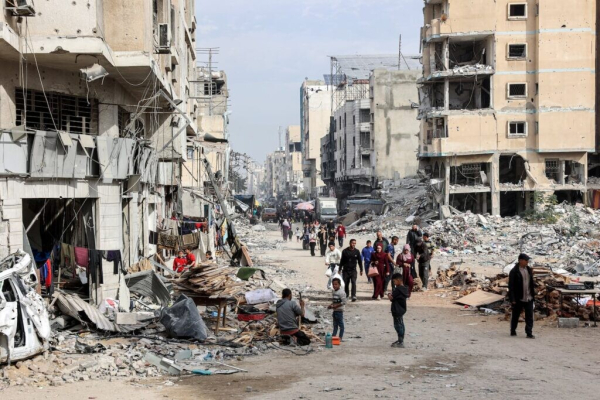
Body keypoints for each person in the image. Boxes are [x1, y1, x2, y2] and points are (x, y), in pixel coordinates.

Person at [509, 253, 535, 339]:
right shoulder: (514, 271)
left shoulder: (528, 270)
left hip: (529, 297)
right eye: (526, 260)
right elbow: (511, 286)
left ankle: (529, 333)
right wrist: (512, 299)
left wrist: (533, 294)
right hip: (518, 298)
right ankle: (513, 330)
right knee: (515, 315)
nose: (527, 262)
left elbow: (531, 283)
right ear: (520, 260)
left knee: (529, 316)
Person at [388, 273, 409, 348]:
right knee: (401, 324)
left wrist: (389, 295)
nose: (394, 283)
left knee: (398, 325)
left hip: (397, 310)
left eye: (394, 281)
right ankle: (400, 340)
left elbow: (392, 298)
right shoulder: (404, 289)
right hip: (401, 309)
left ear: (398, 280)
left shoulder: (398, 289)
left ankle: (401, 341)